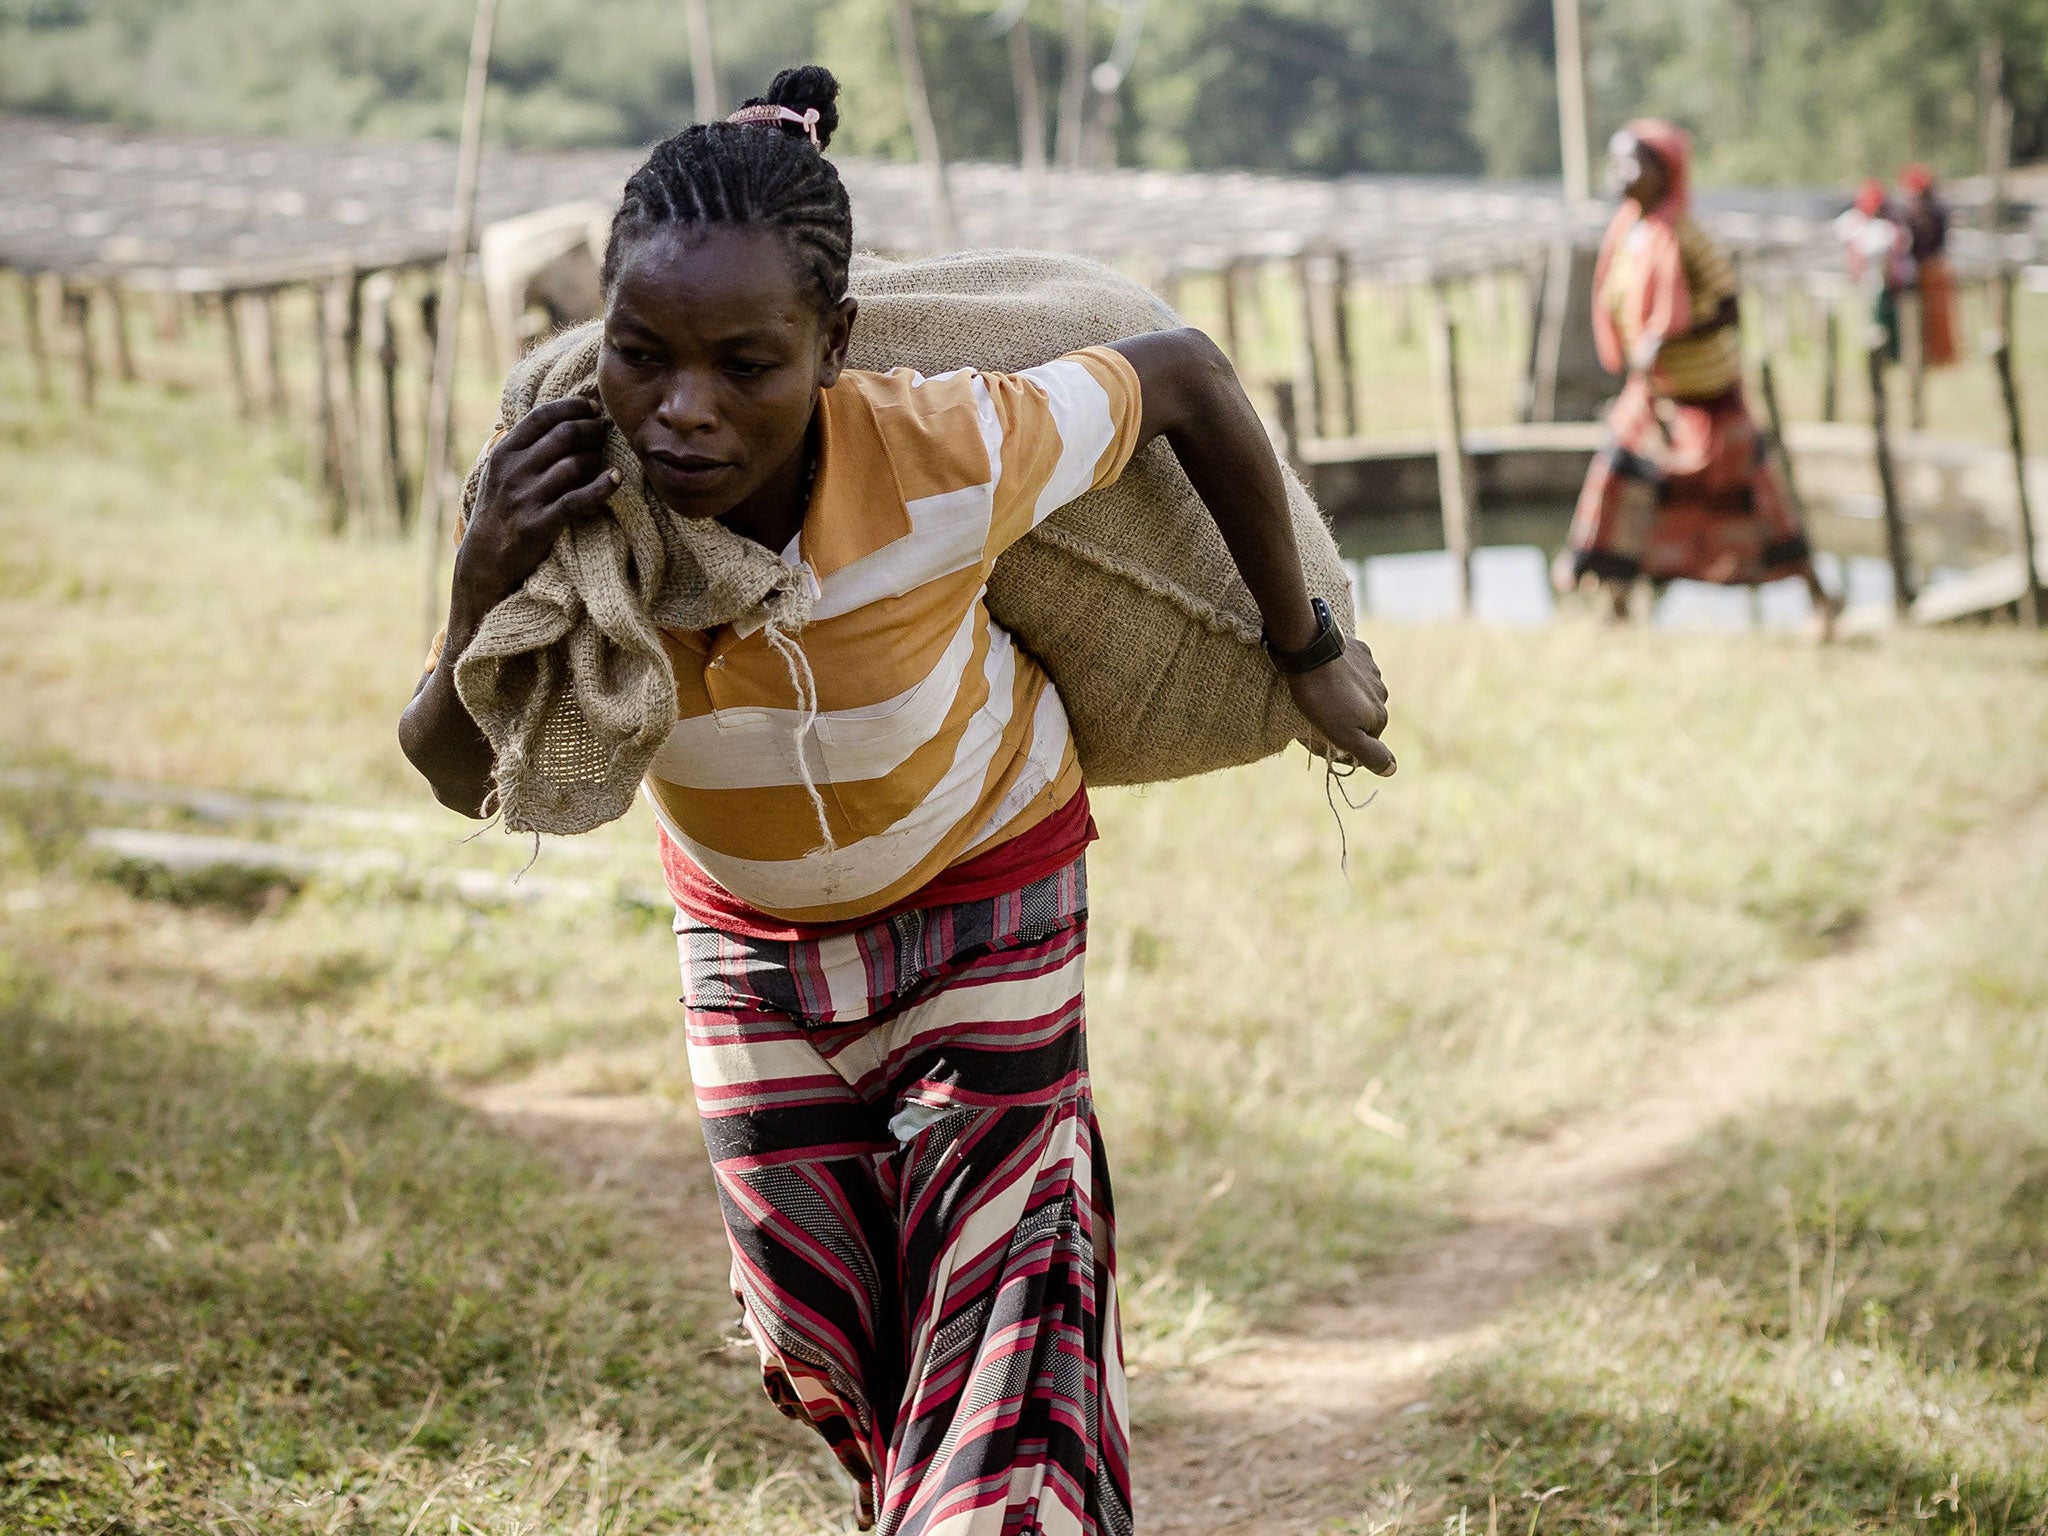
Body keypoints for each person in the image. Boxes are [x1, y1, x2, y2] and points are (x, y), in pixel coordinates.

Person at [397, 65, 1393, 1536]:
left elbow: (1181, 373)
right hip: (751, 950)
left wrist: (1306, 648)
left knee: (1003, 1291)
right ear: (597, 332)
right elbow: (455, 773)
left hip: (991, 893)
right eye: (641, 354)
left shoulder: (940, 445)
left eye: (747, 364)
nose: (684, 412)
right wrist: (478, 584)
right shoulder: (570, 504)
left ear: (835, 347)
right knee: (820, 1332)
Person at [1557, 119, 1838, 632]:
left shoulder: (1686, 236)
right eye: (1614, 160)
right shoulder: (1627, 235)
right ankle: (1613, 603)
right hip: (1654, 393)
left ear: (1663, 174)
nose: (1618, 173)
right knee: (1621, 482)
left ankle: (1819, 599)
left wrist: (1668, 337)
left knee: (1755, 500)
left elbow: (1729, 307)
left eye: (1632, 163)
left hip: (1708, 397)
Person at [1898, 163, 1961, 368]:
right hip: (1923, 267)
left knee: (1938, 314)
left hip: (1931, 266)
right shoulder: (1919, 211)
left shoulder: (1931, 212)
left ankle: (1940, 356)